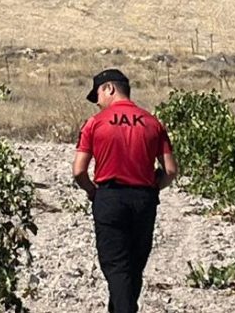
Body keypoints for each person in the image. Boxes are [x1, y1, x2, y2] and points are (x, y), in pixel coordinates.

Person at [73, 69, 179, 313]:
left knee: (116, 267)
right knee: (133, 266)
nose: (97, 102)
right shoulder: (153, 122)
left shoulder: (95, 123)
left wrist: (92, 191)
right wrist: (154, 188)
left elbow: (79, 171)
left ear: (110, 88)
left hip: (110, 197)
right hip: (144, 199)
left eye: (97, 94)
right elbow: (171, 170)